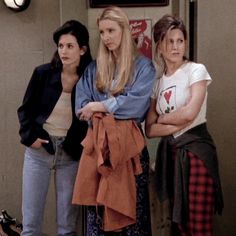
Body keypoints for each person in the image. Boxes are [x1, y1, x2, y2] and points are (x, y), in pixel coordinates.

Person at [72, 6, 156, 236]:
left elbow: (137, 104)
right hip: (99, 147)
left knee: (132, 213)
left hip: (130, 151)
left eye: (111, 30)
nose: (106, 37)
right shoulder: (94, 68)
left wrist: (99, 106)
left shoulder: (144, 67)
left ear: (125, 31)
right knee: (96, 212)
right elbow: (81, 107)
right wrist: (110, 110)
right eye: (102, 32)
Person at [145, 14, 223, 236]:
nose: (176, 46)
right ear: (159, 46)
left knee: (197, 225)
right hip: (171, 155)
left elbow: (190, 113)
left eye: (180, 40)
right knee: (178, 226)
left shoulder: (195, 71)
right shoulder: (158, 84)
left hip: (196, 152)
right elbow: (149, 130)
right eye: (170, 41)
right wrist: (174, 124)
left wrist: (161, 120)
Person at [17, 20, 92, 235]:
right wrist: (30, 137)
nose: (64, 51)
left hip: (70, 153)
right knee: (31, 225)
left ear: (82, 49)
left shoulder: (89, 79)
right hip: (40, 149)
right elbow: (25, 110)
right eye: (61, 46)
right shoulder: (42, 73)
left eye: (70, 46)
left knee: (67, 226)